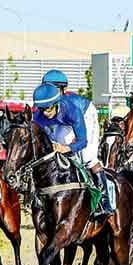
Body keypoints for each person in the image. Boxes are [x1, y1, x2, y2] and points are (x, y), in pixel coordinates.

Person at [31, 83, 113, 217]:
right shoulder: (38, 116)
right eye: (42, 109)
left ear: (56, 103)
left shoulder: (71, 110)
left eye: (48, 108)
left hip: (84, 113)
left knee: (87, 157)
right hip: (60, 121)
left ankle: (105, 202)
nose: (45, 113)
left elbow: (83, 142)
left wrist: (67, 148)